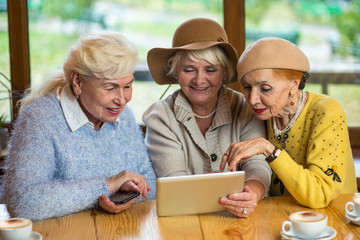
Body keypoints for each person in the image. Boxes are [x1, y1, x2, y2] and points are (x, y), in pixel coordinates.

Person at [3, 32, 156, 221]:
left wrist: (128, 194)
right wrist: (107, 187)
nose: (122, 100)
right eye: (109, 87)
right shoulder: (40, 118)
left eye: (127, 86)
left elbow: (149, 183)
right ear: (78, 81)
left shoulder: (124, 117)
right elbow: (24, 203)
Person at [143, 18, 271, 217]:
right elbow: (175, 186)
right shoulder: (160, 117)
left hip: (240, 221)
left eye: (210, 69)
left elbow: (257, 166)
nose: (199, 80)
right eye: (188, 69)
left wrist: (251, 193)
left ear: (224, 71)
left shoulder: (245, 107)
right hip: (182, 222)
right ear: (175, 71)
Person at [220, 37, 357, 208]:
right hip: (282, 216)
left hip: (334, 220)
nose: (253, 99)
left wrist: (269, 149)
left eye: (265, 88)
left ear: (295, 84)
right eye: (247, 87)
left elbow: (319, 195)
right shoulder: (264, 113)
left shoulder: (326, 112)